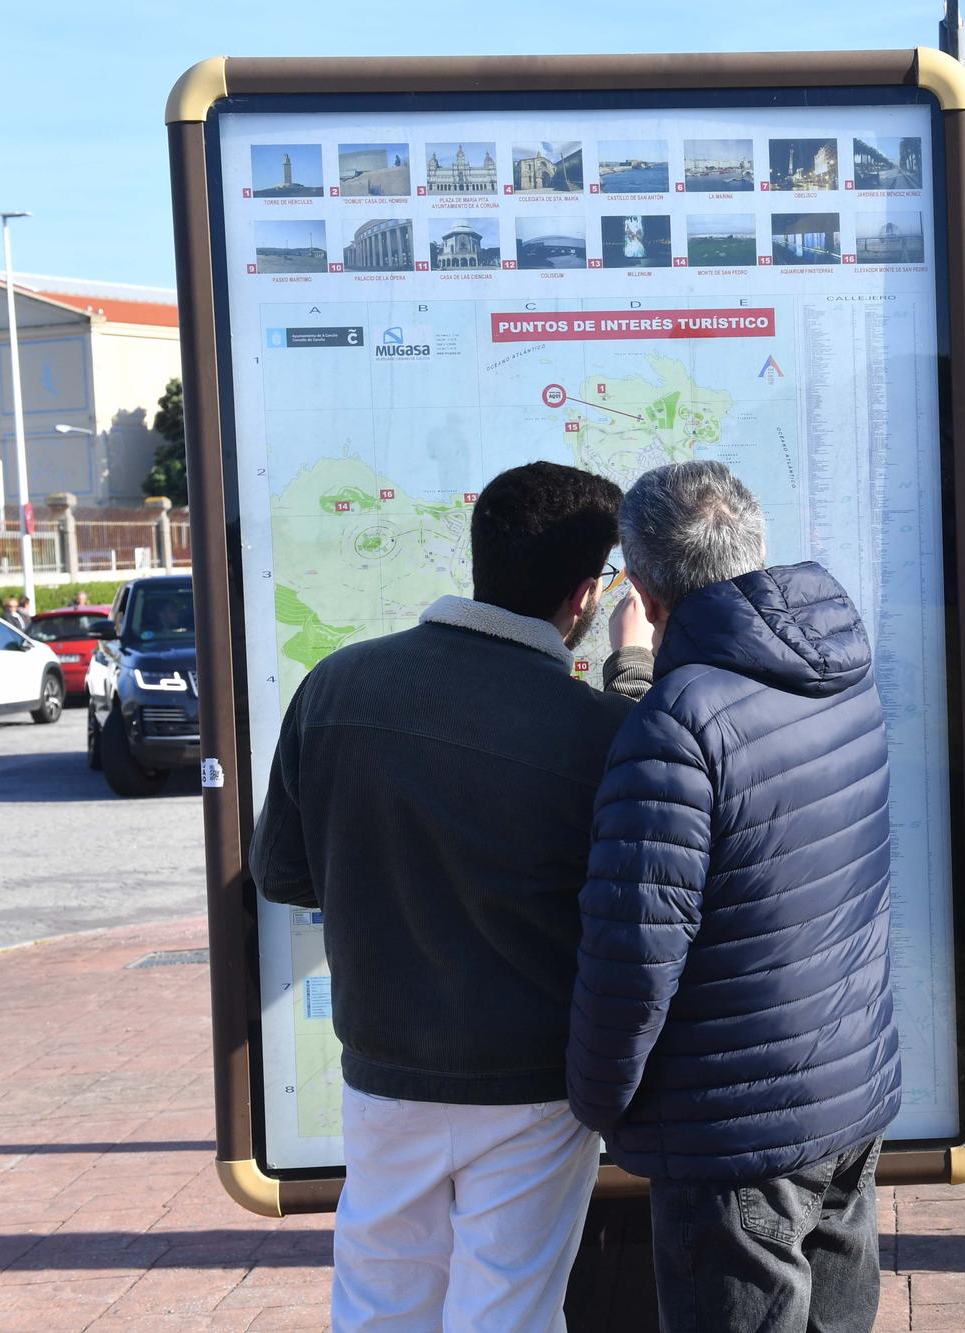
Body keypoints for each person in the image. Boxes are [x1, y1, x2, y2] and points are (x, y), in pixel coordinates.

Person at [249, 461, 653, 1331]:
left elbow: (283, 871)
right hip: (534, 1088)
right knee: (507, 1310)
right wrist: (633, 668)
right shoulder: (597, 731)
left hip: (385, 1070)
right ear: (584, 597)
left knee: (381, 1305)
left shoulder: (335, 686)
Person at [569, 461, 900, 1333]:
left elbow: (636, 952)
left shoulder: (677, 721)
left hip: (734, 1133)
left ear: (640, 586)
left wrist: (597, 1099)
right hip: (846, 1087)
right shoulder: (836, 668)